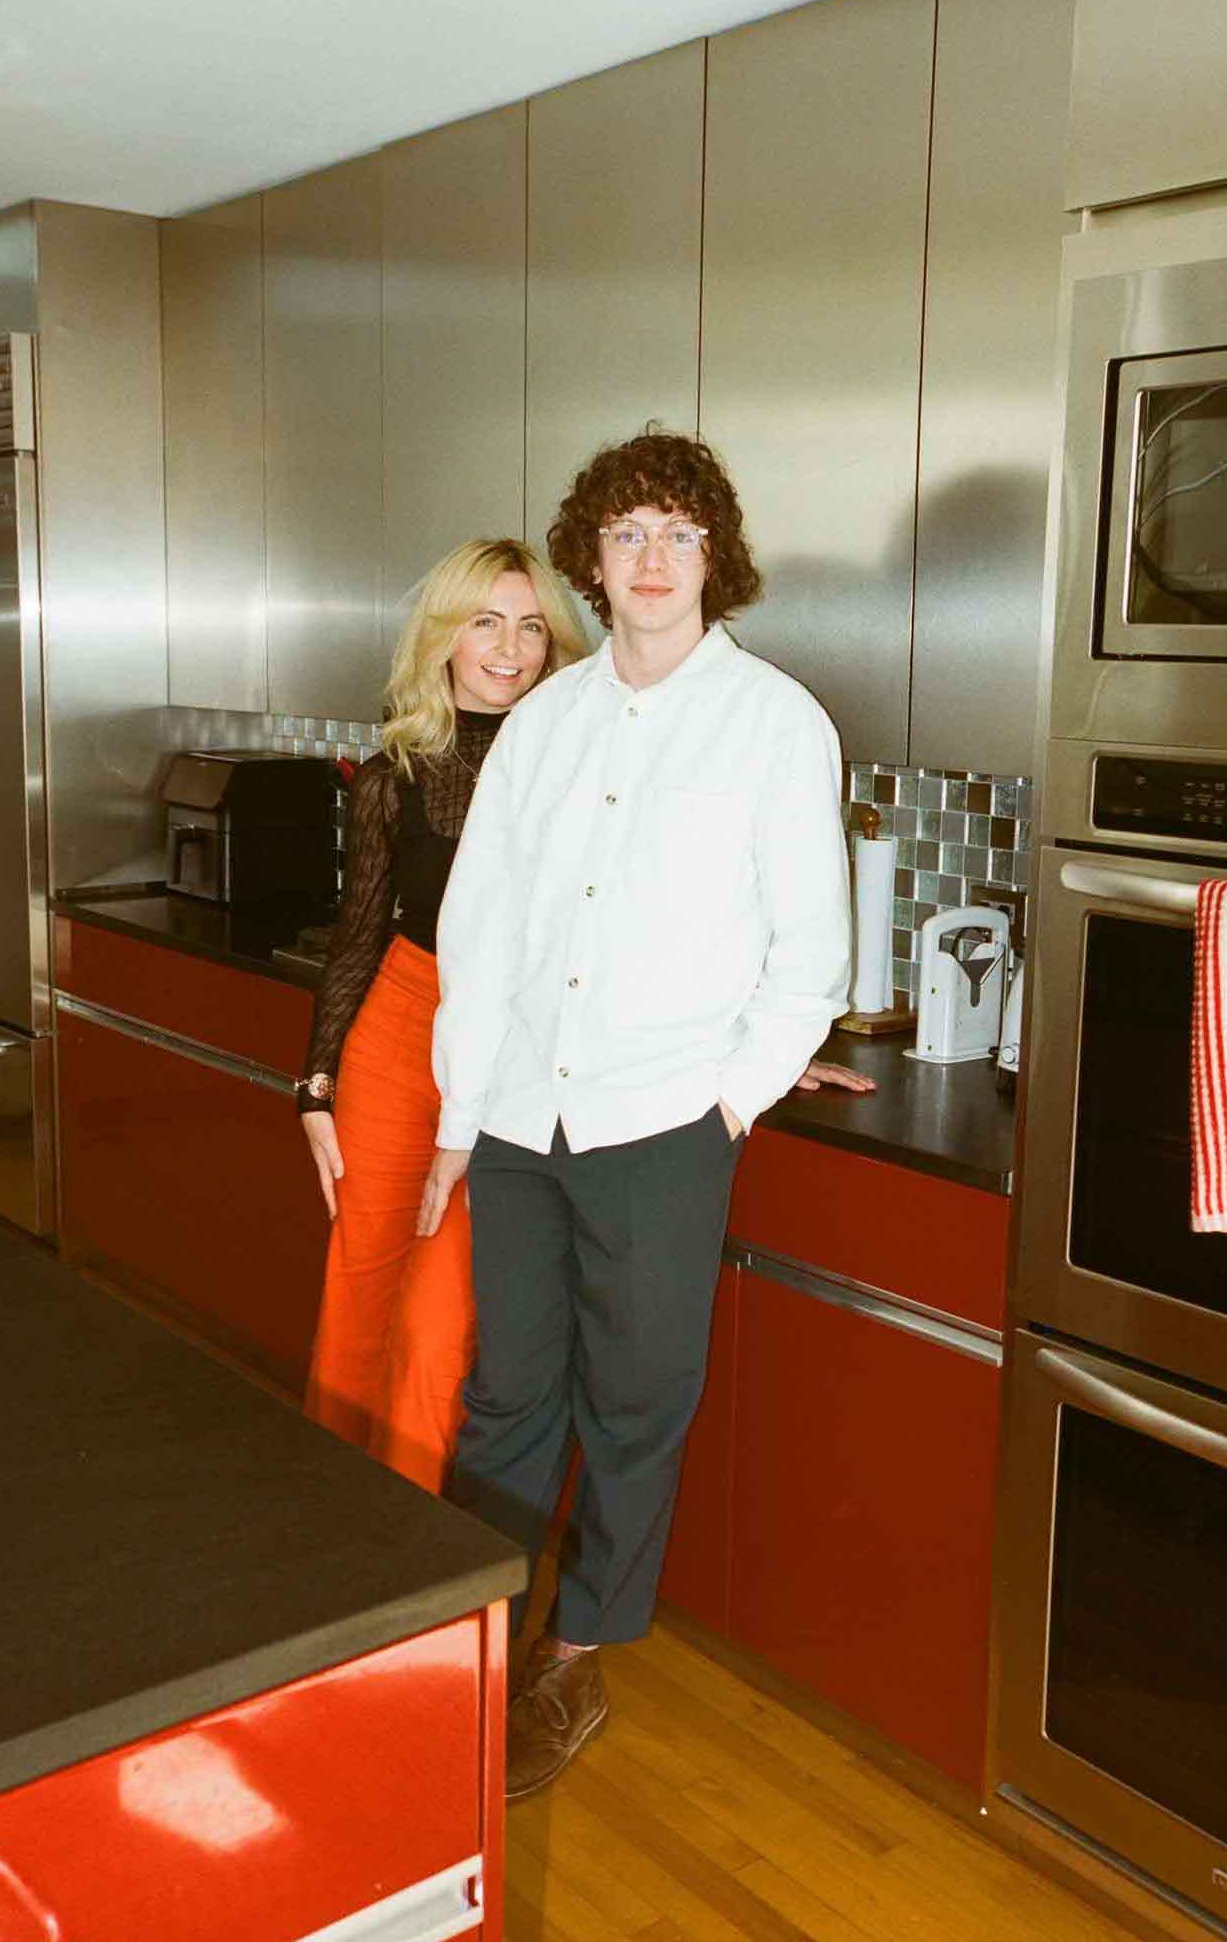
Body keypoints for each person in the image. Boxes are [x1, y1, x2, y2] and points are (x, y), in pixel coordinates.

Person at [422, 428, 858, 1799]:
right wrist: (458, 1114)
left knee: (634, 1403)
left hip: (664, 1121)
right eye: (627, 534)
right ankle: (463, 1653)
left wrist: (726, 1102)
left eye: (679, 532)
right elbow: (481, 931)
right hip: (520, 1116)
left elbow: (811, 954)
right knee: (504, 1396)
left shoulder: (775, 723)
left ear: (714, 556)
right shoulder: (544, 724)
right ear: (591, 561)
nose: (653, 558)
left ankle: (571, 1655)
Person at [297, 539, 590, 1493]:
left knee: (439, 1320)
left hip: (512, 1048)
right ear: (444, 637)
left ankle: (413, 1542)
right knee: (360, 1283)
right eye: (485, 622)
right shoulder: (396, 772)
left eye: (532, 627)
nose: (509, 648)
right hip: (400, 1025)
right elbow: (359, 932)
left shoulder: (581, 761)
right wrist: (315, 1084)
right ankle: (335, 1514)